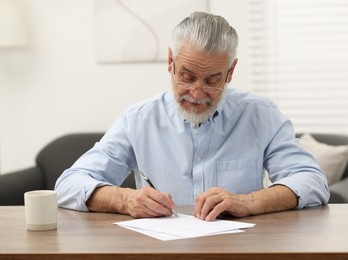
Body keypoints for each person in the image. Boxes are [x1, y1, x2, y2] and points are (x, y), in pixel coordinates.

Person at [55, 11, 329, 221]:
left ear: (230, 73)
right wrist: (123, 199)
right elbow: (70, 183)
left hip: (241, 251)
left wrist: (250, 202)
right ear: (171, 63)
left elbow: (311, 181)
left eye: (212, 80)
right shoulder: (138, 120)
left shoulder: (260, 115)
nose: (197, 93)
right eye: (187, 77)